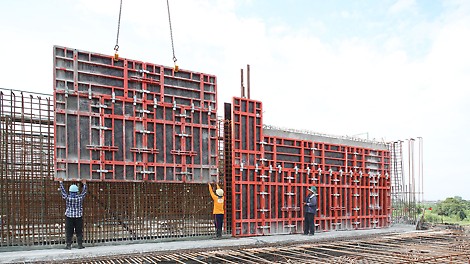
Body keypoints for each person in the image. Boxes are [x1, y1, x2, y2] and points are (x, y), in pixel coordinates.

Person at [59, 178, 87, 249]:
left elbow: (63, 192)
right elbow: (84, 192)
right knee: (79, 231)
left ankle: (68, 245)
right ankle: (80, 245)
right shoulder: (80, 198)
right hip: (78, 216)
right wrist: (84, 184)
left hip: (69, 216)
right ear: (77, 192)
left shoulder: (68, 198)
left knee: (69, 231)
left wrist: (61, 182)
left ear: (70, 191)